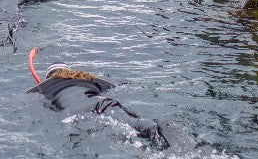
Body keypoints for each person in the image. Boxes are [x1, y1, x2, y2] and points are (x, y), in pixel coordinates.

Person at [25, 50, 168, 148]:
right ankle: (155, 129)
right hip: (102, 103)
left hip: (75, 115)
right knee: (133, 123)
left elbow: (28, 100)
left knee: (113, 135)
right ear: (69, 71)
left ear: (48, 77)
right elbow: (116, 87)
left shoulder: (42, 89)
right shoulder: (87, 78)